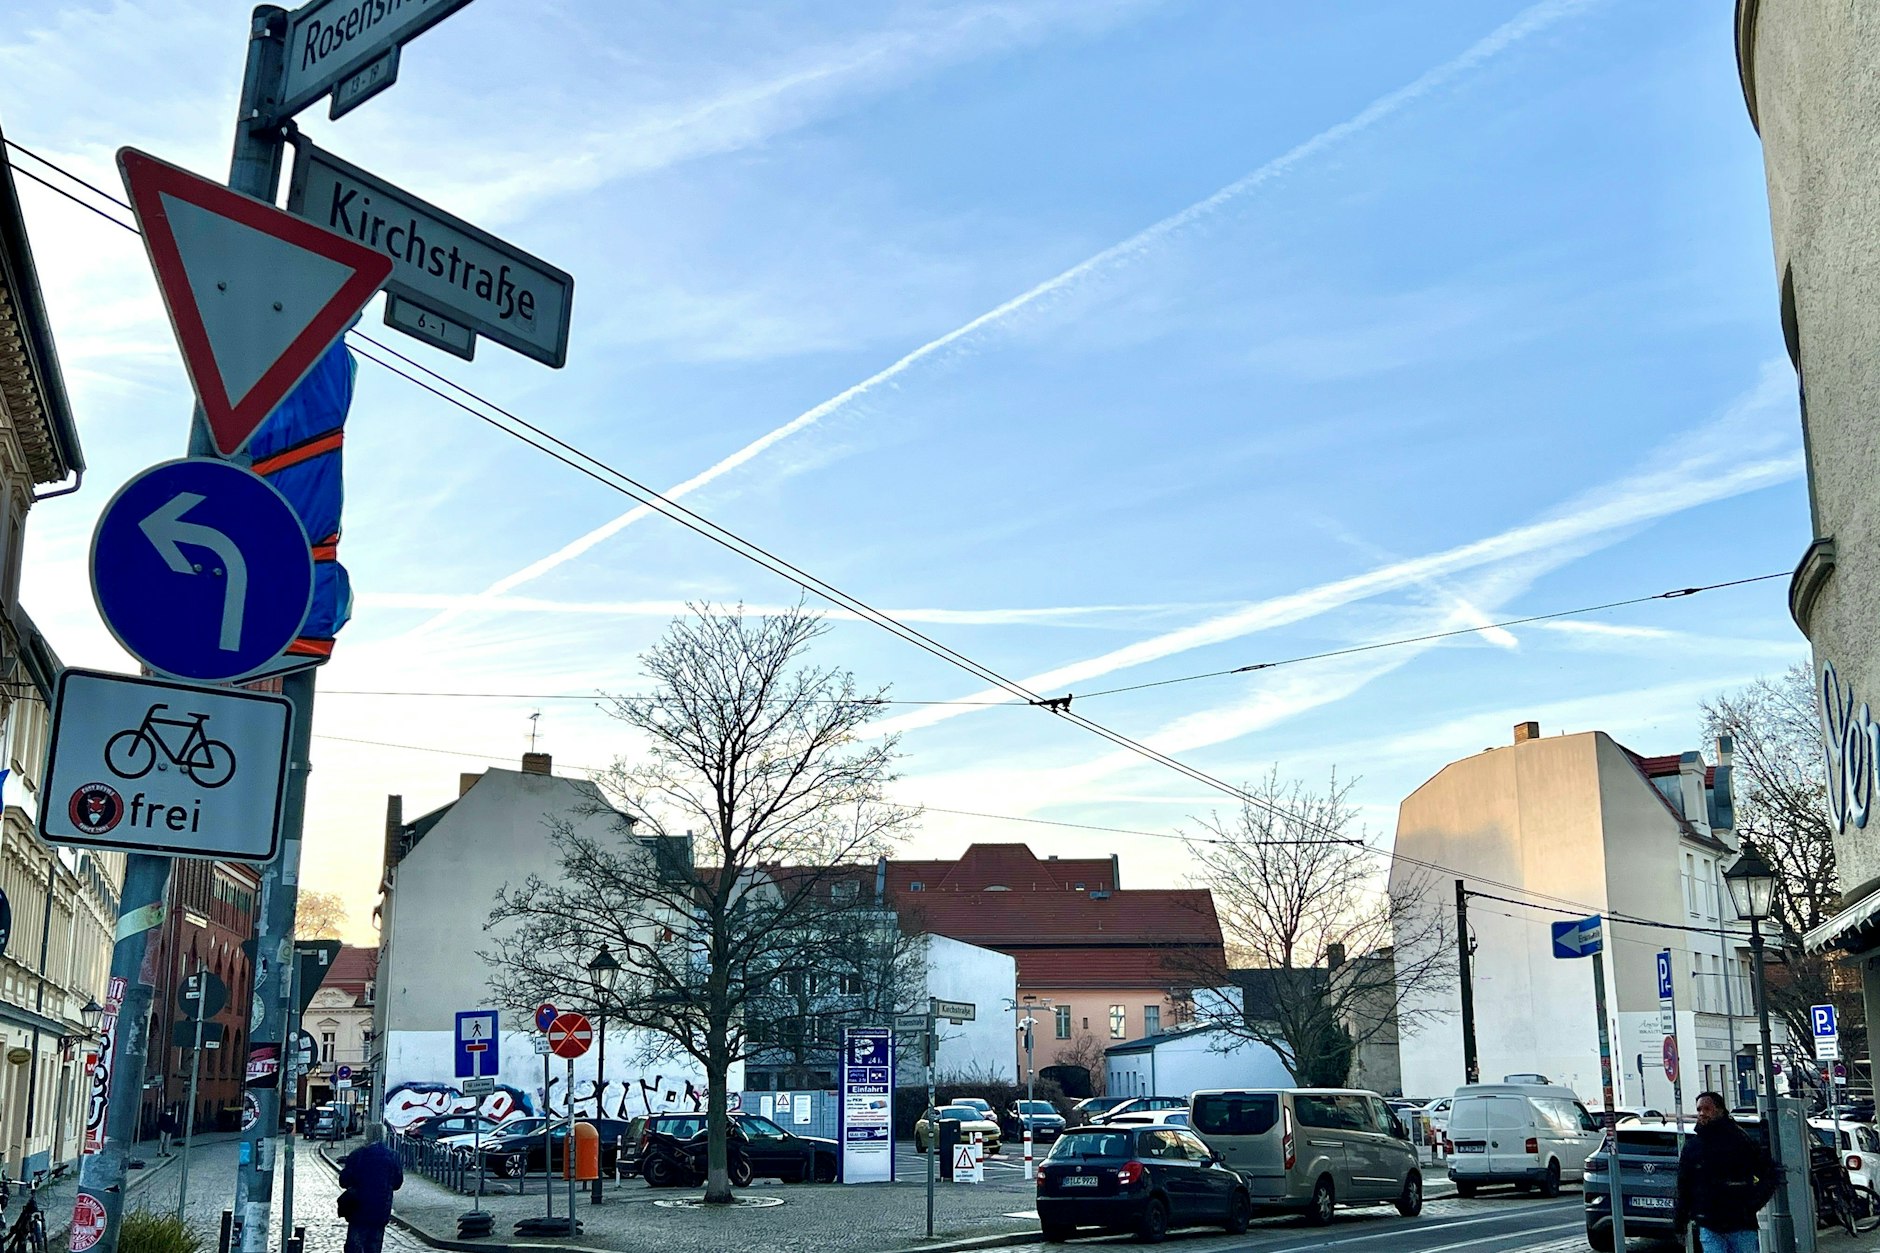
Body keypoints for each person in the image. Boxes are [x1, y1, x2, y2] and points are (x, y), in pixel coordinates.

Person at [1675, 1090, 1781, 1253]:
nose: (1702, 1113)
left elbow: (1768, 1172)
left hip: (1741, 1223)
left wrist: (1753, 1203)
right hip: (1709, 1223)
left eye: (1707, 1109)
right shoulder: (1693, 1146)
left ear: (1720, 1110)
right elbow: (1684, 1185)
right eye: (1699, 1109)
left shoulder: (1741, 1141)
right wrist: (1680, 1220)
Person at [337, 1138, 403, 1253]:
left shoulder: (357, 1155)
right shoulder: (392, 1156)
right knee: (374, 1247)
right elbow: (397, 1183)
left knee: (354, 1247)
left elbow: (344, 1181)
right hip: (380, 1211)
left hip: (358, 1209)